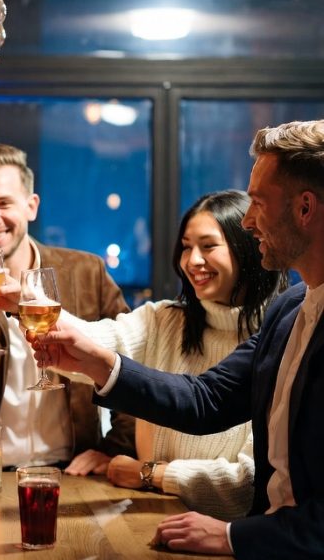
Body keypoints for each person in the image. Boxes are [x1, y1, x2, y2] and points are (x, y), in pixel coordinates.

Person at [33, 119, 324, 560]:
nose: (249, 220)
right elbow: (206, 400)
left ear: (305, 208)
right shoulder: (290, 310)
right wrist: (99, 364)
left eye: (259, 203)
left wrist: (233, 536)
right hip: (274, 554)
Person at [61, 190, 285, 520]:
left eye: (208, 246)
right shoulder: (165, 320)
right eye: (186, 247)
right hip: (151, 519)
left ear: (248, 248)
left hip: (228, 537)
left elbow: (247, 483)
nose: (192, 260)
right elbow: (87, 345)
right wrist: (22, 300)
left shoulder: (279, 337)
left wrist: (151, 474)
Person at [0, 142, 134, 471]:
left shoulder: (87, 272)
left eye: (3, 203)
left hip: (71, 472)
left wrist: (116, 447)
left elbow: (133, 362)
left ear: (31, 206)